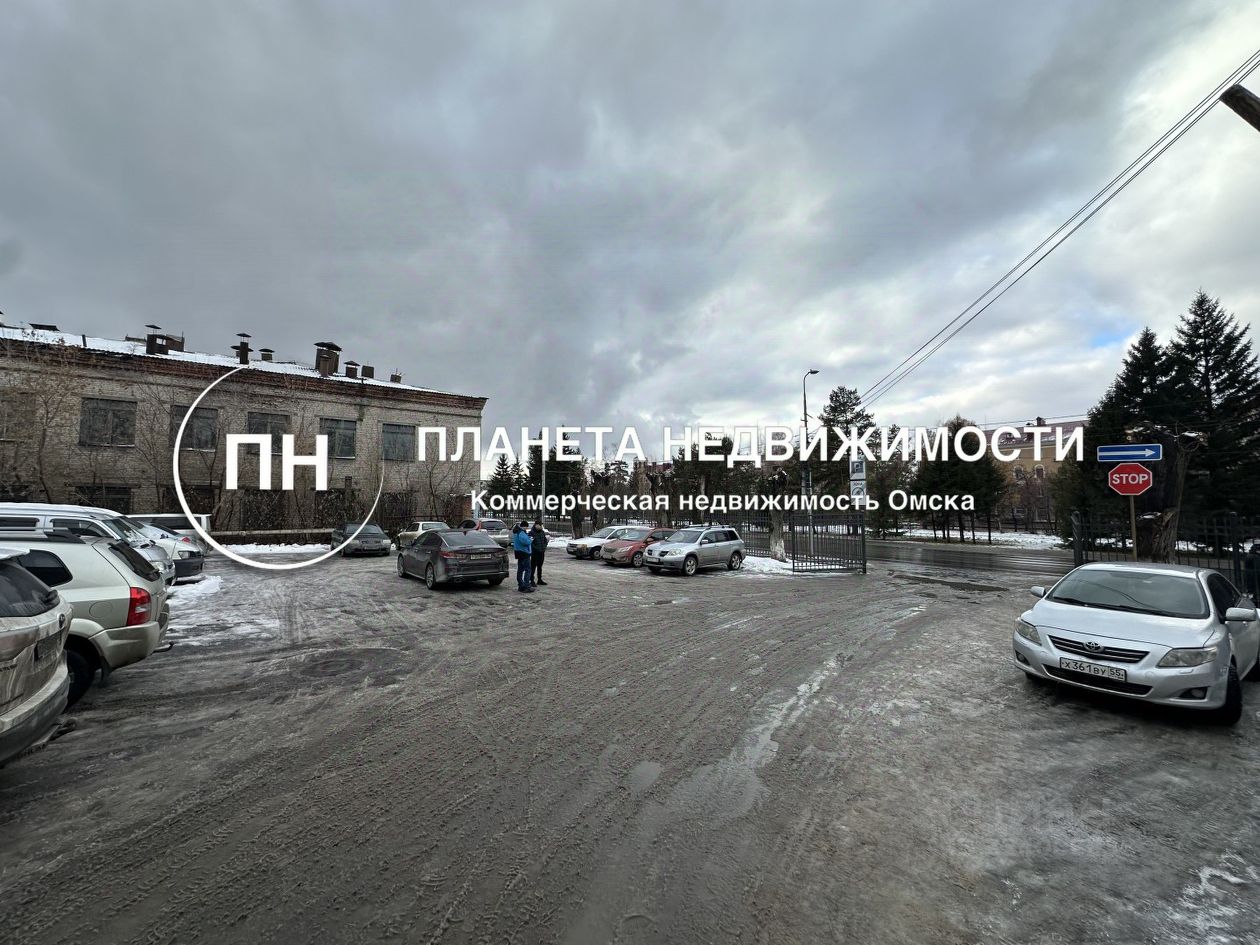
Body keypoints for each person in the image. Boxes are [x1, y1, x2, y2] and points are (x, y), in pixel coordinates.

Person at [511, 521, 534, 593]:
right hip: (524, 552)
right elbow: (525, 542)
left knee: (520, 570)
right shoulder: (521, 532)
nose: (526, 528)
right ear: (524, 526)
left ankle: (521, 585)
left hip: (518, 552)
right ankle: (526, 586)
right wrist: (530, 540)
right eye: (526, 527)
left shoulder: (516, 532)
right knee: (528, 569)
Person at [529, 520, 549, 586]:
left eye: (541, 525)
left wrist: (544, 547)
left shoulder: (542, 532)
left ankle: (539, 579)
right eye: (540, 525)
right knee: (533, 566)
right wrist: (536, 548)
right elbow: (530, 543)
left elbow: (545, 540)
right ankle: (531, 580)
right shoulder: (531, 533)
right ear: (536, 525)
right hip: (535, 553)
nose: (541, 526)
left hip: (541, 552)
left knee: (540, 566)